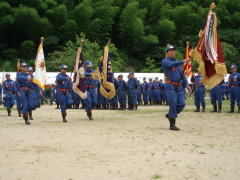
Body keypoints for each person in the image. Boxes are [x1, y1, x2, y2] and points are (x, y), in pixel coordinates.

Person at [162, 44, 191, 131]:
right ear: (167, 52)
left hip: (179, 87)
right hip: (170, 86)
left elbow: (182, 75)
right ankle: (172, 125)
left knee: (182, 104)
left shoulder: (178, 64)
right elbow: (171, 65)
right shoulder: (165, 61)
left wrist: (186, 85)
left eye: (173, 51)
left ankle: (170, 115)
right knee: (173, 104)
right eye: (170, 51)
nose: (172, 52)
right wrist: (183, 61)